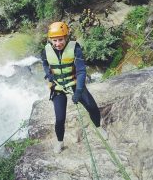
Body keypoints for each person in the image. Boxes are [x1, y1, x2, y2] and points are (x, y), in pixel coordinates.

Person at [41, 21, 108, 154]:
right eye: (54, 40)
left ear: (66, 37)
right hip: (58, 86)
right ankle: (60, 142)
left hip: (74, 82)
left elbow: (82, 71)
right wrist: (49, 75)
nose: (58, 43)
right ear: (50, 40)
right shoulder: (45, 51)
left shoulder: (75, 48)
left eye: (60, 39)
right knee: (60, 119)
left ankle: (99, 127)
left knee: (92, 107)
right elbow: (45, 64)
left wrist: (78, 91)